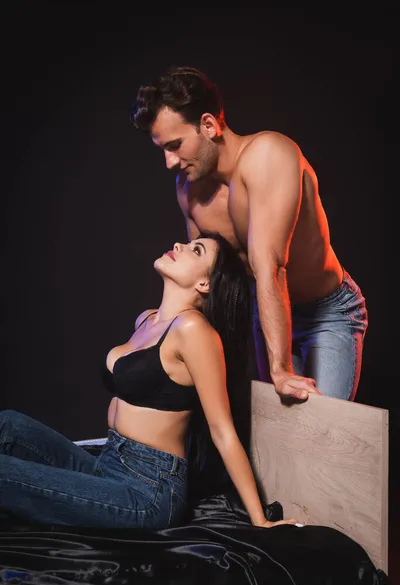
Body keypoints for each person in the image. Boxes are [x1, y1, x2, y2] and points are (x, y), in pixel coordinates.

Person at [0, 232, 299, 530]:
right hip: (109, 461)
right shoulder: (147, 320)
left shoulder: (194, 330)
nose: (178, 245)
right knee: (8, 424)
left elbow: (222, 430)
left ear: (204, 283)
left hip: (147, 491)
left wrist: (259, 518)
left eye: (196, 251)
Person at [130, 66, 369, 403]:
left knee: (319, 439)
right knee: (274, 438)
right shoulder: (188, 188)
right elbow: (206, 281)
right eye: (162, 150)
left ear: (209, 125)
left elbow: (268, 266)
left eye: (175, 145)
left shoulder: (268, 155)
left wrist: (280, 370)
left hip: (326, 314)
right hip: (266, 310)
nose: (169, 162)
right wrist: (161, 329)